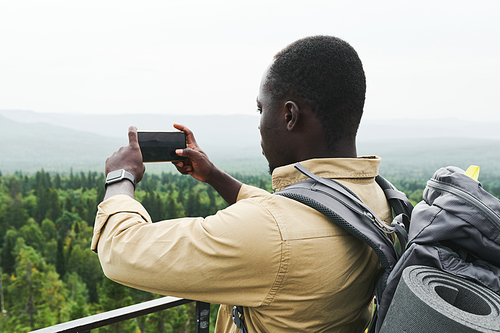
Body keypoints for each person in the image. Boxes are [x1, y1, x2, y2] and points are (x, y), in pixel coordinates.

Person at [91, 35, 393, 332]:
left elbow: (120, 252)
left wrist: (121, 175)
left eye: (262, 109)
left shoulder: (271, 234)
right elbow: (300, 215)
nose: (260, 124)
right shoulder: (377, 199)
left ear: (290, 115)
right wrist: (212, 175)